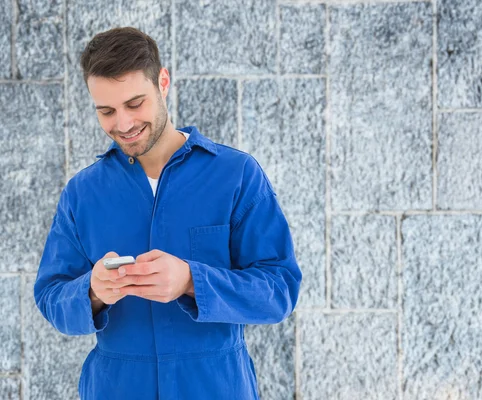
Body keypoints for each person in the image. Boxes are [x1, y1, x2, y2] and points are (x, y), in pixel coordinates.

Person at [34, 26, 302, 399]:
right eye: (106, 111)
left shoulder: (236, 175)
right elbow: (50, 295)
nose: (123, 124)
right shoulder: (83, 193)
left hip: (216, 388)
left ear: (163, 82)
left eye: (135, 103)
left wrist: (192, 280)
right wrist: (92, 291)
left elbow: (279, 290)